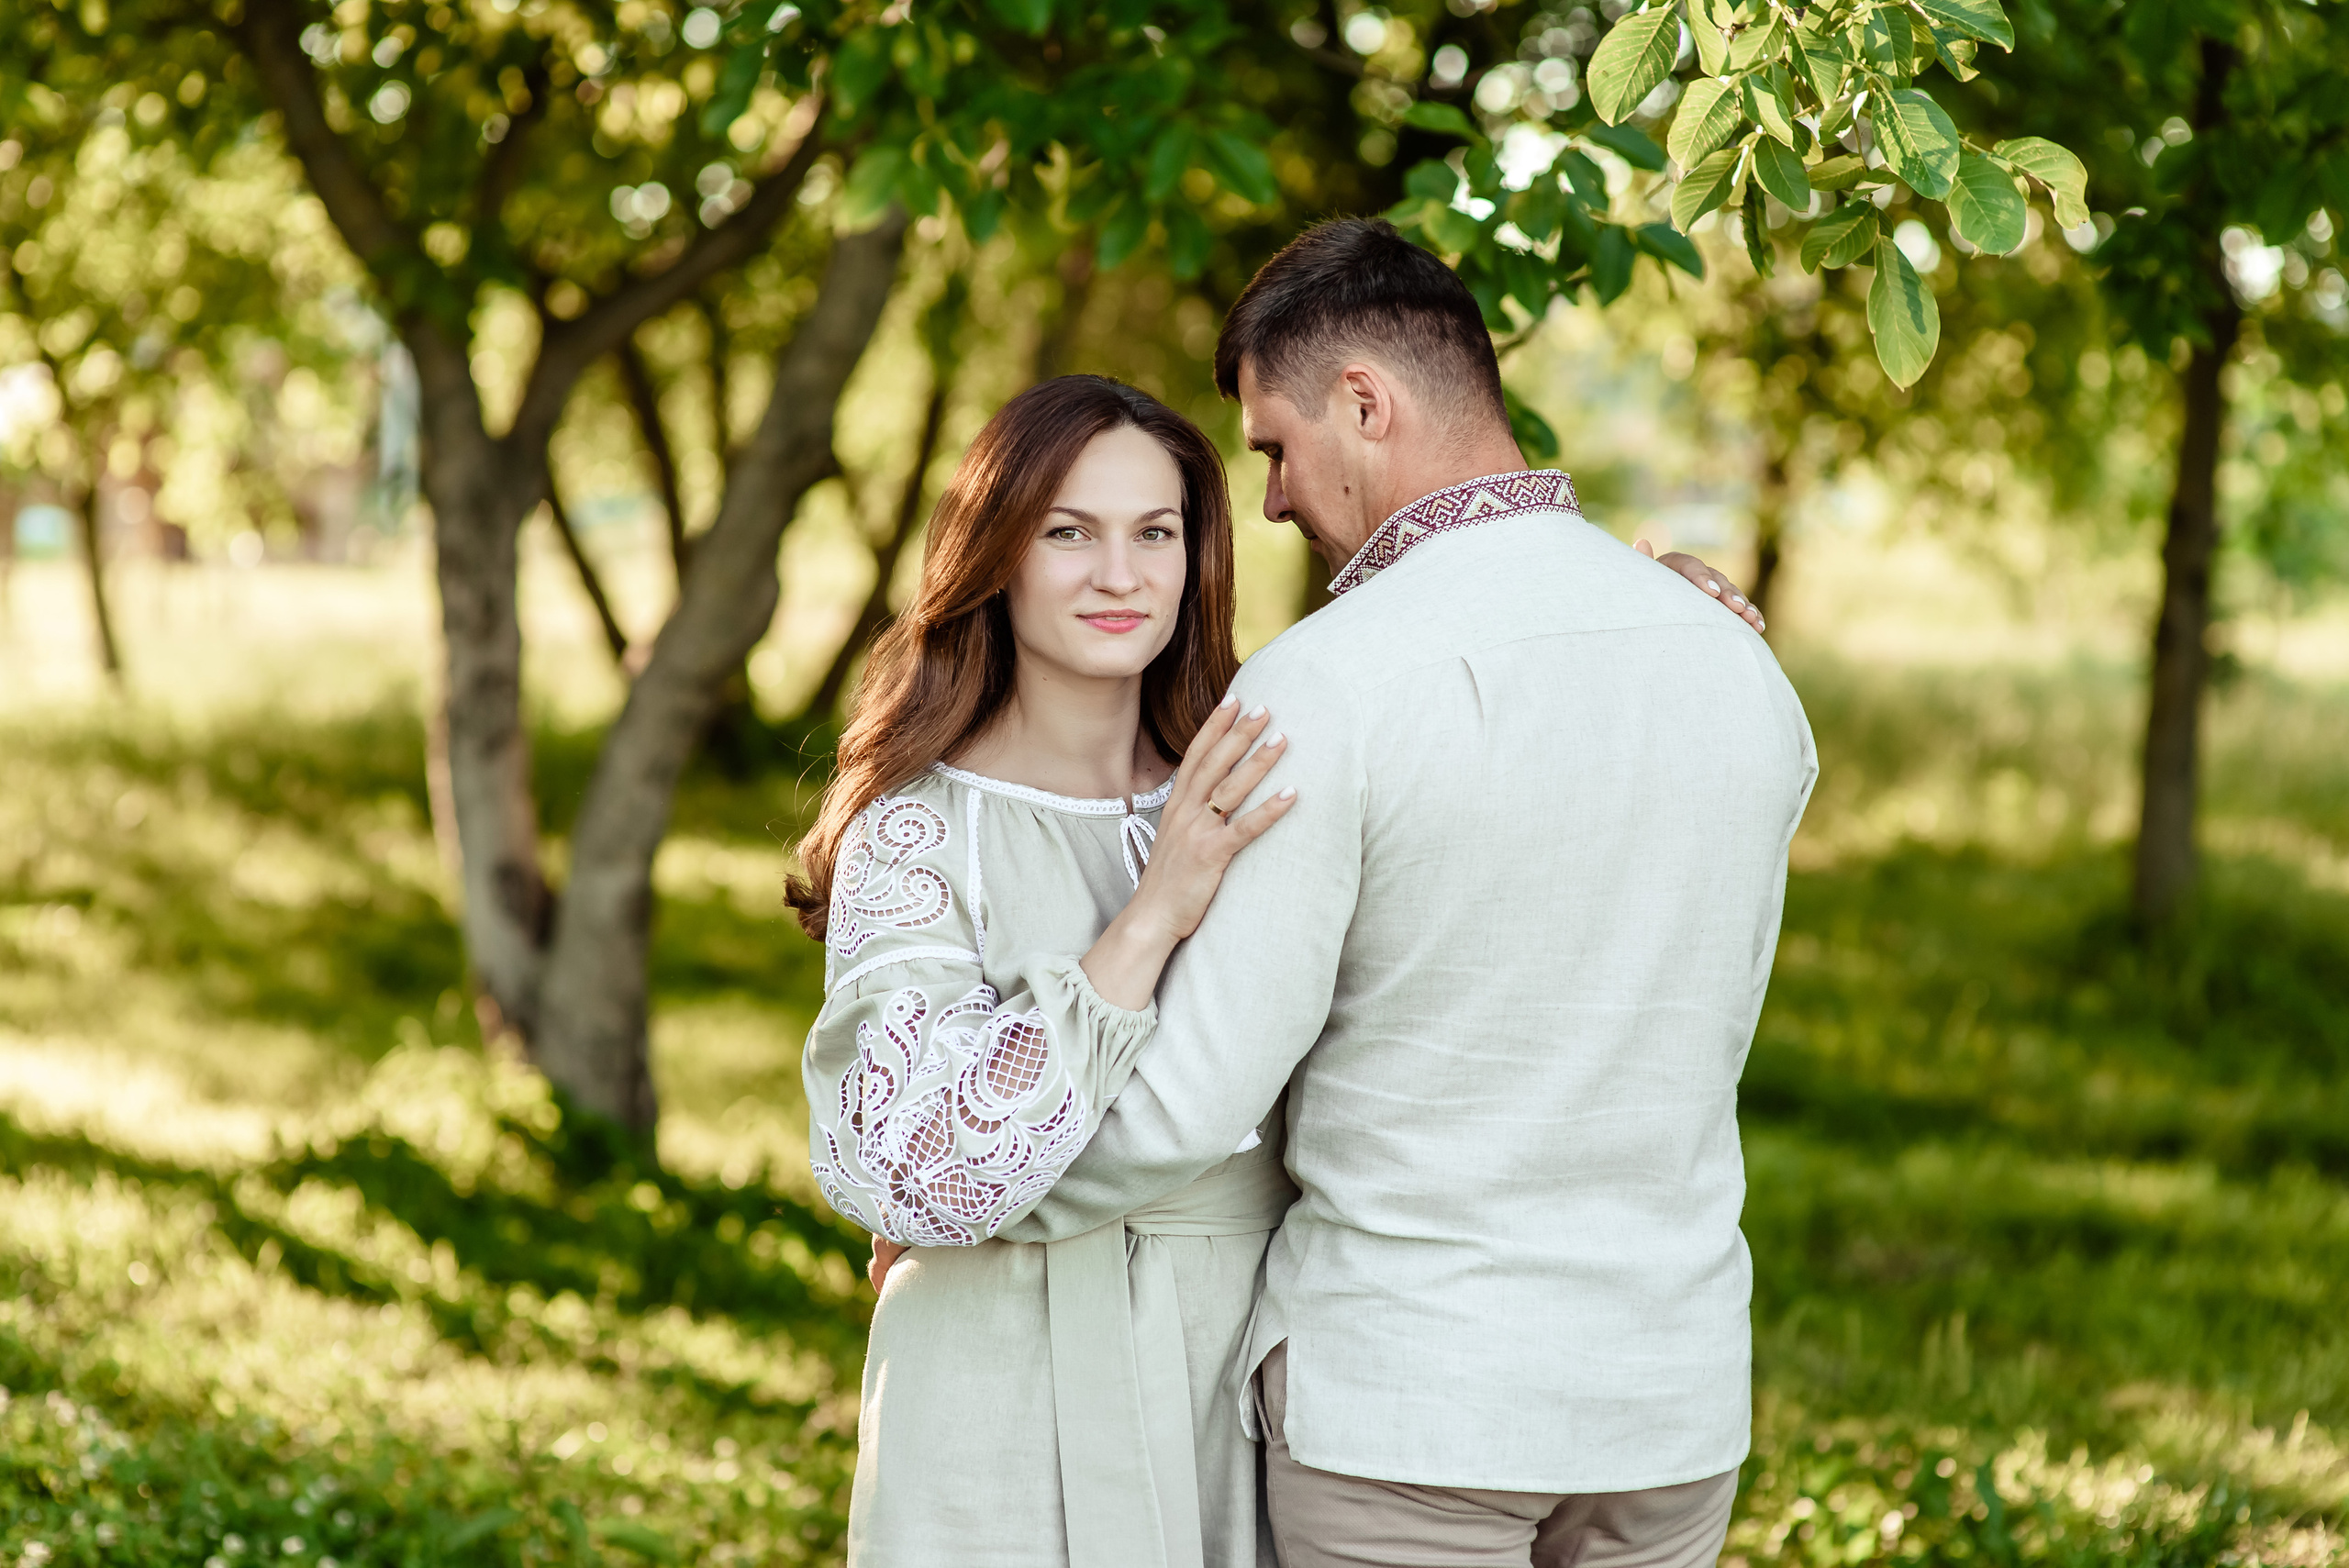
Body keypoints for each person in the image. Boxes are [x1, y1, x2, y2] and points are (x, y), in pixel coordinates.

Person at [794, 368, 1760, 1568]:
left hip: (1227, 1347)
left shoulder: (1267, 756)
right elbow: (907, 1157)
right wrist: (1153, 913)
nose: (1119, 574)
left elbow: (1491, 813)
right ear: (997, 551)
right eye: (1068, 533)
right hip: (998, 1359)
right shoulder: (918, 827)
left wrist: (1636, 613)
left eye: (1157, 532)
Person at [992, 218, 1818, 1568]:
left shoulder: (1324, 688)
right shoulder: (1738, 668)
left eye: (1271, 446)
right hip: (1667, 1402)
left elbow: (1193, 1100)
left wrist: (971, 1193)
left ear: (1364, 401)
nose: (1266, 499)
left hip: (1413, 1412)